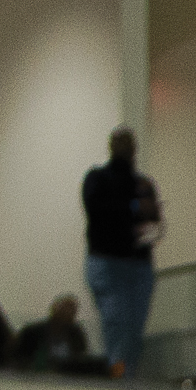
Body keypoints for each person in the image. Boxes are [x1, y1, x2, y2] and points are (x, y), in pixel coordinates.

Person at [80, 129, 163, 374]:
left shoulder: (143, 183)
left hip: (138, 264)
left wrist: (147, 210)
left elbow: (154, 217)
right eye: (120, 143)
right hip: (107, 263)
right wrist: (134, 206)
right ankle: (118, 380)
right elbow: (98, 210)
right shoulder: (97, 179)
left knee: (133, 330)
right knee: (116, 324)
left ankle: (126, 375)